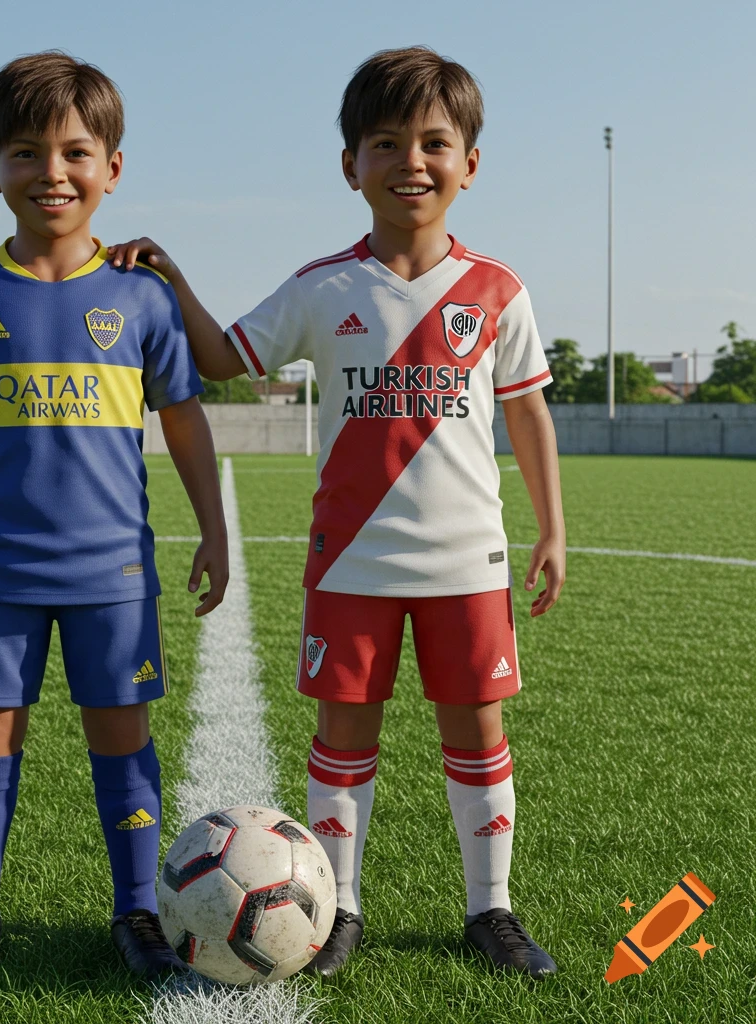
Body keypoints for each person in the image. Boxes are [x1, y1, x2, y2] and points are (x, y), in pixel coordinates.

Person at [105, 45, 565, 980]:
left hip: (468, 560)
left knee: (477, 734)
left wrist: (552, 527)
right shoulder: (324, 287)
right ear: (350, 165)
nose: (411, 162)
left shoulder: (497, 290)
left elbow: (527, 413)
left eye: (434, 142)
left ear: (470, 163)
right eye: (385, 143)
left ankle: (491, 910)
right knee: (344, 738)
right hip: (351, 559)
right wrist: (173, 277)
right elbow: (226, 358)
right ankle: (340, 908)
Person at [0, 50, 228, 981]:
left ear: (112, 168)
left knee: (122, 738)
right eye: (26, 153)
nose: (53, 173)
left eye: (76, 152)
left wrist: (214, 527)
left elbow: (184, 420)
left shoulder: (142, 294)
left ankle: (137, 915)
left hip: (111, 571)